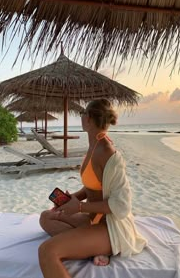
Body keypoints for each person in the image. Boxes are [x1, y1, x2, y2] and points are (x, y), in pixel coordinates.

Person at [38, 98, 147, 278]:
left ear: (88, 118)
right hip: (91, 218)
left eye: (82, 114)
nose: (81, 117)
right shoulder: (93, 145)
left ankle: (98, 246)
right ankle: (89, 247)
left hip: (108, 227)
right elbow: (92, 186)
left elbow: (121, 205)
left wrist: (79, 207)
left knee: (47, 251)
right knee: (45, 217)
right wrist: (73, 199)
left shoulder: (108, 153)